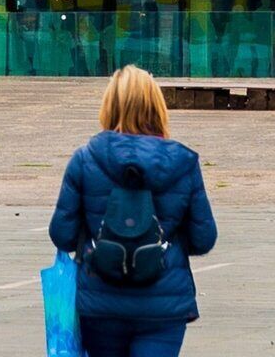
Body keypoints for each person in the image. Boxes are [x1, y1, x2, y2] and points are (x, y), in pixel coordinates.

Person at [48, 66, 219, 357]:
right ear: (157, 106)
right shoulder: (183, 162)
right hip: (163, 305)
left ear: (109, 105)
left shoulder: (85, 159)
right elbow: (204, 238)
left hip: (100, 302)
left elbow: (62, 235)